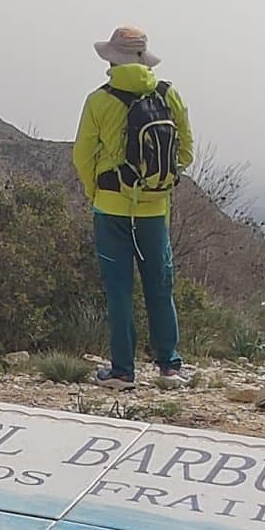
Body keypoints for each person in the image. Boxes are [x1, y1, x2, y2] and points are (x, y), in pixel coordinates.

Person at [72, 25, 193, 388]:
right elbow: (186, 150)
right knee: (160, 286)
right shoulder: (168, 94)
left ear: (112, 59)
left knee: (119, 290)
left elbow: (82, 155)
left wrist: (96, 192)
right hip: (154, 209)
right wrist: (159, 183)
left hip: (111, 208)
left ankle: (123, 371)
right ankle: (170, 367)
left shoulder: (99, 100)